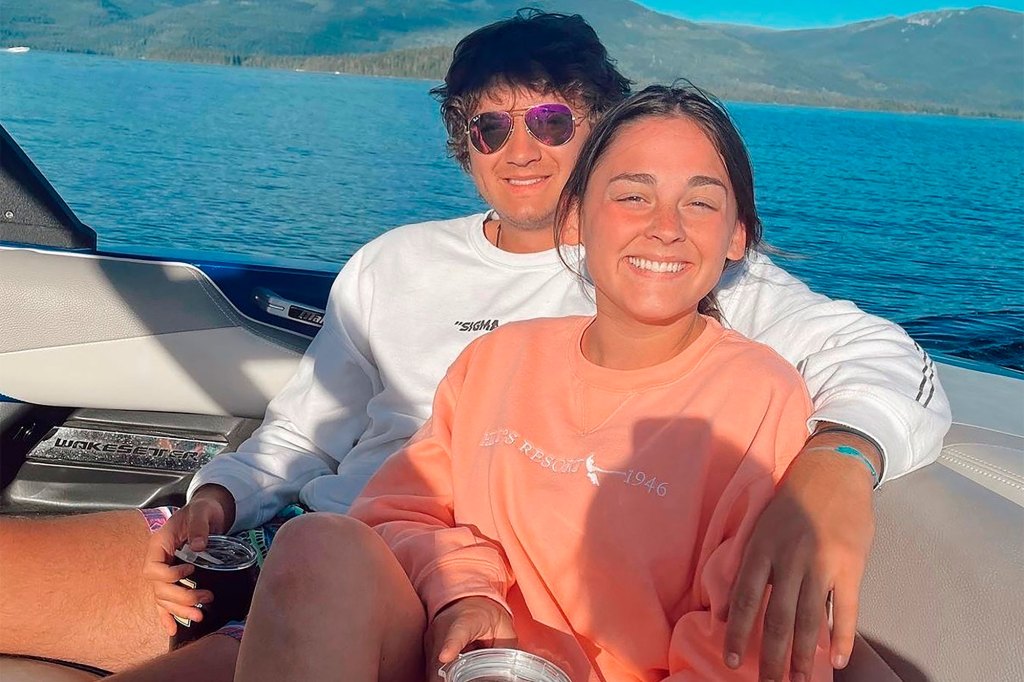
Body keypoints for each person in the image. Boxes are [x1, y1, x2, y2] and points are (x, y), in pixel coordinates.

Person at [0, 10, 948, 682]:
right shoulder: (392, 264)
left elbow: (886, 362)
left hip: (421, 603)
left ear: (602, 124)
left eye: (551, 120)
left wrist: (840, 461)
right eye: (489, 126)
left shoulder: (664, 271)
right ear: (463, 142)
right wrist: (218, 497)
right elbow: (305, 433)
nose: (521, 148)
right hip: (291, 547)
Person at [232, 82, 835, 682]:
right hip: (446, 655)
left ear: (737, 236)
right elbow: (397, 511)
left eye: (700, 203)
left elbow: (738, 642)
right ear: (575, 218)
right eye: (632, 196)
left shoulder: (760, 399)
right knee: (316, 545)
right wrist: (466, 594)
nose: (666, 228)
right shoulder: (499, 359)